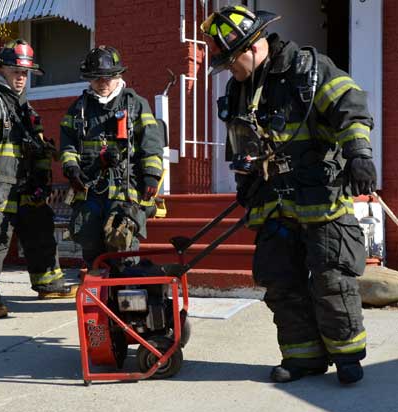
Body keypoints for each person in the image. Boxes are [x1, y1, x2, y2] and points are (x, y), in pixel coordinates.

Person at [201, 6, 374, 384]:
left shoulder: (308, 69)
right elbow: (240, 144)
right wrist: (245, 183)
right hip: (271, 200)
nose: (229, 70)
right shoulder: (239, 88)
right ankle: (302, 357)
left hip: (319, 195)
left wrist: (359, 155)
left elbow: (351, 108)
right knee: (280, 281)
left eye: (231, 62)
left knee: (332, 278)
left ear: (253, 46)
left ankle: (347, 356)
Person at [0, 39, 77, 318]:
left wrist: (42, 182)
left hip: (25, 189)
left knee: (40, 231)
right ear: (2, 69)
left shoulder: (26, 109)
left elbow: (39, 149)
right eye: (16, 71)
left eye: (25, 73)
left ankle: (48, 283)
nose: (21, 77)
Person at [59, 46, 164, 268]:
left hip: (124, 188)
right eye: (96, 78)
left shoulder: (136, 104)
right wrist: (71, 168)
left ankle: (124, 287)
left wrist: (151, 175)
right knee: (89, 240)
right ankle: (98, 287)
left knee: (121, 244)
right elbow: (68, 145)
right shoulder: (78, 109)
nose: (102, 82)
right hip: (89, 189)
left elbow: (151, 144)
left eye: (107, 77)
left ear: (118, 75)